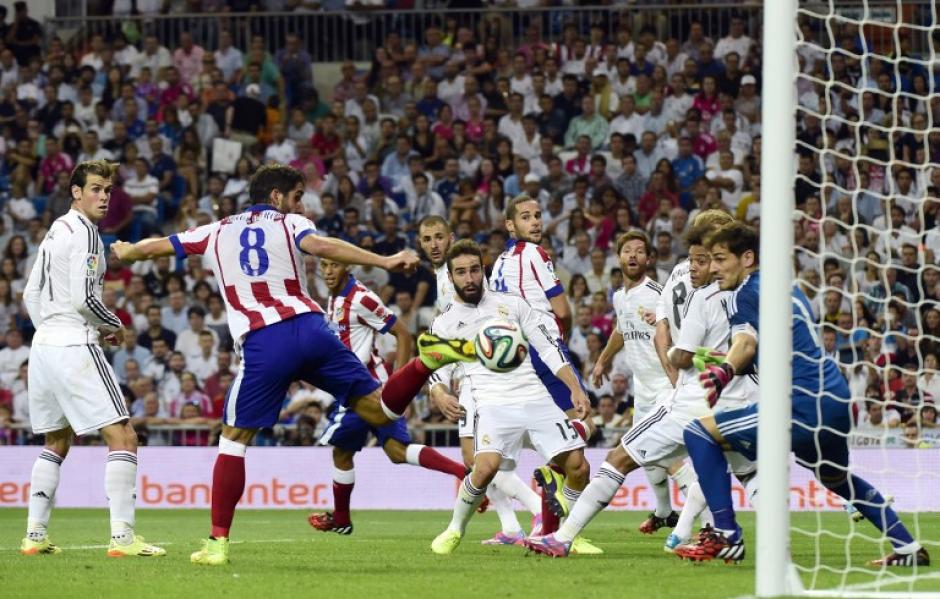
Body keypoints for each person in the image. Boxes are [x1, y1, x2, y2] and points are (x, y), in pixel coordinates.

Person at [111, 164, 476, 565]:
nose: (301, 203)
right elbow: (322, 246)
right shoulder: (290, 223)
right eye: (297, 196)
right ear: (276, 198)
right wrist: (384, 261)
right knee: (379, 407)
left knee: (233, 441)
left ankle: (217, 543)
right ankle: (425, 362)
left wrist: (126, 251)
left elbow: (152, 247)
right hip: (312, 327)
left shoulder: (213, 230)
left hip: (266, 340)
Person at [673, 222, 928, 567]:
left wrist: (725, 370)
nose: (714, 268)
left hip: (800, 402)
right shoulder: (788, 288)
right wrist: (730, 363)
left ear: (747, 258)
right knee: (837, 478)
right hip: (835, 398)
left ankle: (727, 535)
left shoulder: (743, 293)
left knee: (699, 432)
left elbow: (745, 343)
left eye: (720, 259)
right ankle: (909, 547)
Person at [526, 217, 757, 557]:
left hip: (692, 396)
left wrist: (681, 361)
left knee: (620, 458)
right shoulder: (734, 291)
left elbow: (678, 348)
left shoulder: (702, 293)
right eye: (697, 258)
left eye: (709, 259)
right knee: (746, 473)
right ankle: (736, 538)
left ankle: (564, 537)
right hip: (726, 398)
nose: (698, 265)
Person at [20, 160, 165, 557]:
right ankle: (123, 538)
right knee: (124, 436)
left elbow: (30, 295)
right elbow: (84, 299)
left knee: (57, 439)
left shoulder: (55, 230)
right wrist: (113, 325)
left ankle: (34, 536)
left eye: (108, 189)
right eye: (97, 188)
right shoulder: (85, 233)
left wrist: (49, 327)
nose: (104, 196)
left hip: (44, 347)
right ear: (76, 191)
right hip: (72, 342)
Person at [427, 240, 591, 555]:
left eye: (474, 270)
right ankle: (455, 528)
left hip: (533, 395)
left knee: (579, 467)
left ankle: (566, 533)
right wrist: (439, 392)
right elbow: (435, 367)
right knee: (484, 467)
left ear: (483, 270)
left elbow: (547, 346)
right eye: (461, 272)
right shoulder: (445, 322)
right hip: (490, 402)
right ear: (451, 278)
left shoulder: (512, 305)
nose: (470, 278)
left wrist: (574, 385)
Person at [308, 257, 467, 535]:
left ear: (349, 266)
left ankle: (342, 520)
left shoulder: (361, 299)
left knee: (341, 453)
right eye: (324, 265)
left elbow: (402, 333)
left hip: (363, 388)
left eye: (334, 265)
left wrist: (398, 386)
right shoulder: (334, 300)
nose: (329, 271)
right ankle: (463, 474)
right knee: (397, 452)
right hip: (369, 385)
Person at [419, 216, 544, 546]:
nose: (433, 244)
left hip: (484, 377)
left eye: (439, 237)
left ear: (451, 237)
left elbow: (475, 320)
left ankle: (537, 508)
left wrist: (455, 374)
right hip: (469, 374)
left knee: (479, 458)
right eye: (426, 238)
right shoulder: (441, 277)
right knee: (474, 459)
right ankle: (512, 526)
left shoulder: (456, 276)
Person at [489, 195, 598, 545]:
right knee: (583, 431)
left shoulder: (498, 264)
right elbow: (562, 308)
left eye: (537, 216)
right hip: (544, 350)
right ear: (510, 225)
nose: (535, 222)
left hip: (513, 358)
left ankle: (548, 523)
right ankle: (562, 510)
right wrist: (558, 336)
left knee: (541, 445)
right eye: (525, 217)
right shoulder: (537, 254)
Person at [585, 230, 680, 534]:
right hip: (643, 391)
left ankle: (707, 525)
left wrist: (678, 380)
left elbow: (678, 331)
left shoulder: (658, 294)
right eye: (628, 250)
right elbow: (622, 328)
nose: (634, 256)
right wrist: (602, 359)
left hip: (667, 386)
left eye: (640, 251)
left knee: (668, 457)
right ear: (619, 257)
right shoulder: (620, 296)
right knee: (649, 457)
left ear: (649, 259)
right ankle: (665, 512)